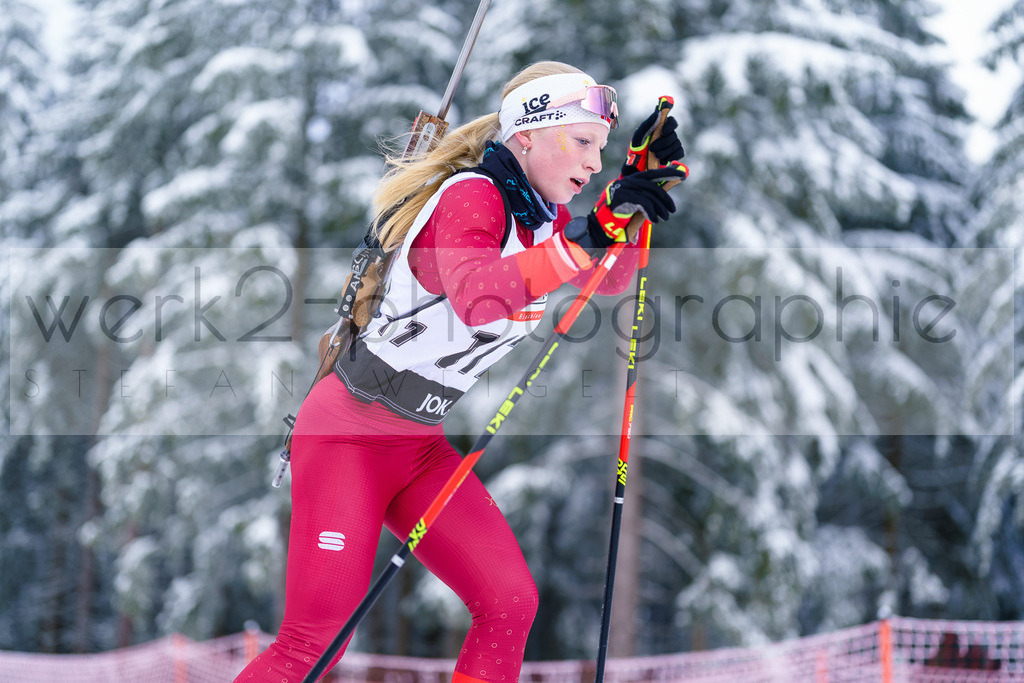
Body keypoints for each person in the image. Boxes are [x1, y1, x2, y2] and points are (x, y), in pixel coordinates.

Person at [235, 60, 687, 683]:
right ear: (528, 133)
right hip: (349, 437)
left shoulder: (542, 216)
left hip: (419, 446)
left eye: (601, 148)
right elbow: (479, 294)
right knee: (314, 643)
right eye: (582, 142)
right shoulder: (470, 196)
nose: (591, 162)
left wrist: (632, 199)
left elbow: (609, 280)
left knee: (508, 603)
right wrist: (592, 229)